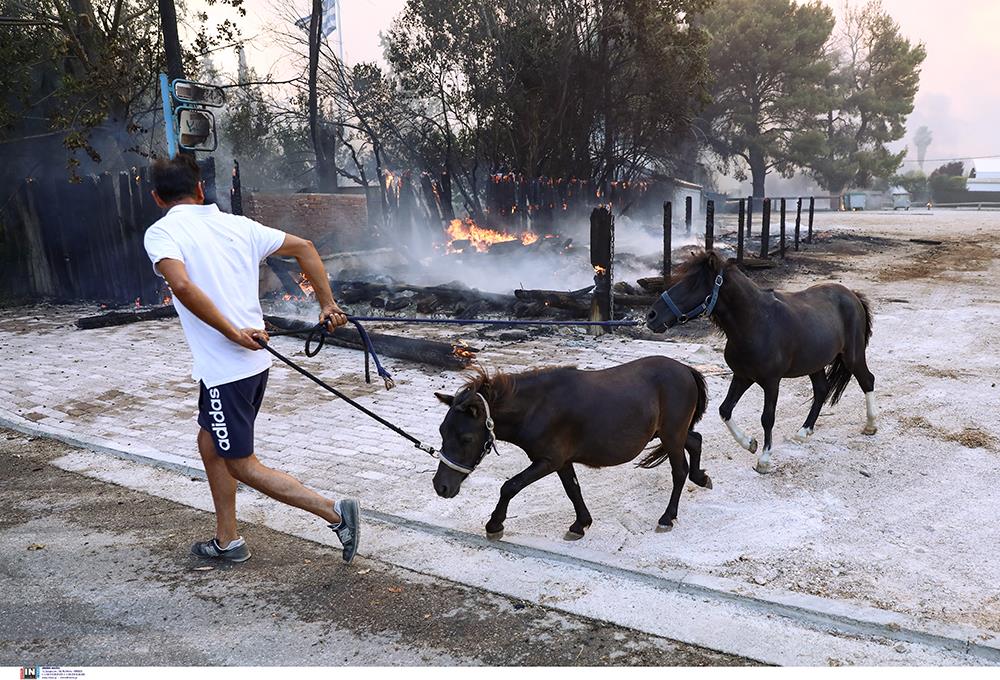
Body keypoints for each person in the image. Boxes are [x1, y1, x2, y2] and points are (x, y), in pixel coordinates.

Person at [143, 154, 360, 563]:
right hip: (247, 364)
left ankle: (336, 514)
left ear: (157, 197)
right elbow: (306, 248)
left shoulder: (161, 234)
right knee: (210, 443)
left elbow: (182, 286)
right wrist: (327, 304)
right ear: (201, 189)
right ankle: (228, 540)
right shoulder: (237, 226)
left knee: (241, 464)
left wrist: (231, 333)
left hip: (230, 369)